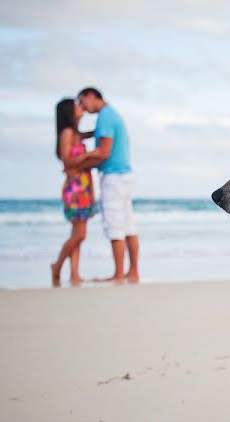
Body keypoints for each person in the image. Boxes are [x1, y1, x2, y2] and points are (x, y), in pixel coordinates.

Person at [76, 87, 139, 283]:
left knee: (114, 226)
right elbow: (102, 137)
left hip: (113, 177)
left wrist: (79, 162)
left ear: (91, 96)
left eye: (82, 101)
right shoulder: (111, 115)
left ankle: (119, 274)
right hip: (125, 175)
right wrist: (86, 136)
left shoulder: (104, 116)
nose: (82, 108)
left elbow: (103, 152)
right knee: (128, 225)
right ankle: (133, 272)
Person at [51, 97, 99, 286]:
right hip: (75, 187)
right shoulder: (67, 132)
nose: (81, 108)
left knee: (77, 234)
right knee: (80, 234)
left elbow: (88, 135)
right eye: (76, 106)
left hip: (84, 185)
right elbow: (67, 160)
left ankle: (74, 274)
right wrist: (90, 155)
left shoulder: (77, 133)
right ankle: (57, 265)